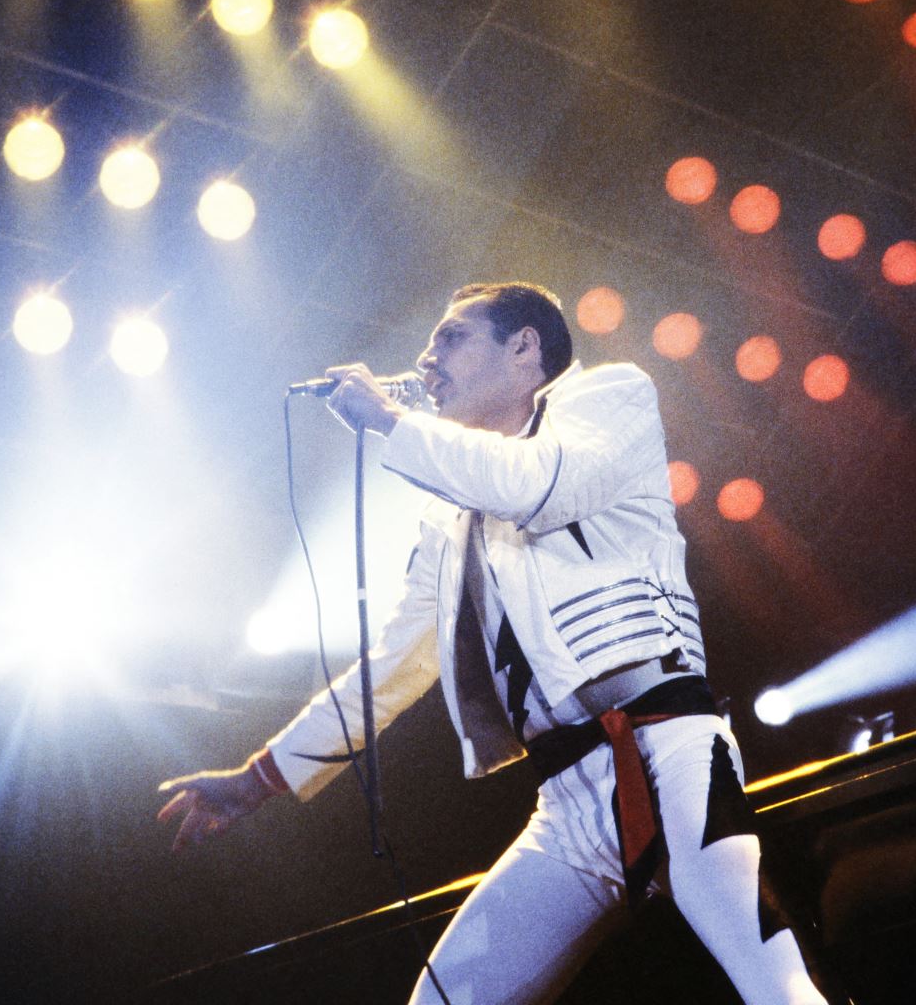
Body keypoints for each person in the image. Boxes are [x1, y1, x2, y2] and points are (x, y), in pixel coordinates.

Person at [157, 282, 827, 1005]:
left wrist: (386, 420)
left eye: (451, 337)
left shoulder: (610, 399)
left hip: (667, 752)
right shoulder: (450, 512)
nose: (426, 356)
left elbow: (535, 485)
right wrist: (259, 779)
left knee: (777, 991)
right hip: (566, 800)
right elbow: (394, 664)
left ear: (524, 347)